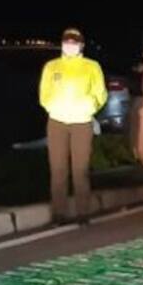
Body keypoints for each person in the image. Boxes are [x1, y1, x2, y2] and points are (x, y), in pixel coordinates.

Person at [38, 27, 107, 224]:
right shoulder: (52, 66)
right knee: (58, 170)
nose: (70, 45)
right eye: (67, 42)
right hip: (57, 122)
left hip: (82, 123)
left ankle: (83, 212)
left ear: (81, 45)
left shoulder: (91, 66)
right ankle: (58, 213)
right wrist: (53, 107)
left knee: (80, 170)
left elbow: (100, 93)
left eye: (74, 42)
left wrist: (89, 107)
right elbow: (44, 93)